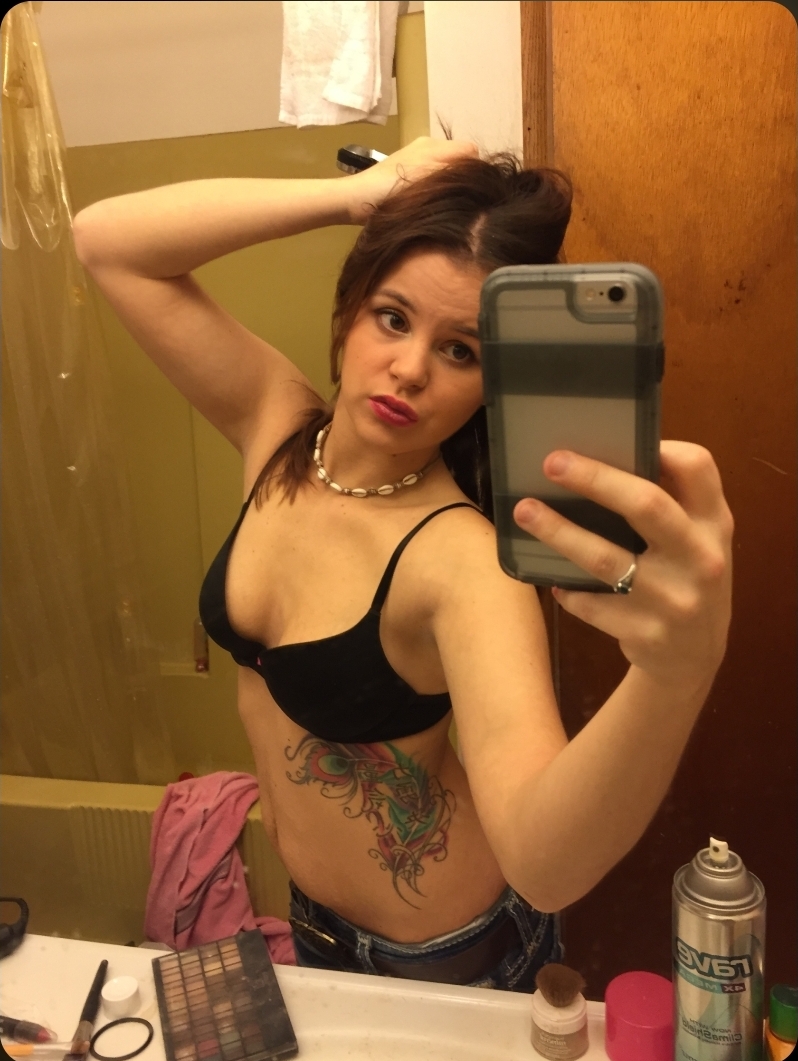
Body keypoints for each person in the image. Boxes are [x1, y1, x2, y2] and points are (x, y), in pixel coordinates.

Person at [72, 138, 733, 991]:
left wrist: (674, 672)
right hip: (315, 923)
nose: (410, 369)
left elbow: (544, 863)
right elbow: (107, 241)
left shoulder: (461, 559)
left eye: (461, 351)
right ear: (350, 309)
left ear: (493, 383)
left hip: (449, 953)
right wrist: (355, 197)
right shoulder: (278, 428)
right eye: (393, 317)